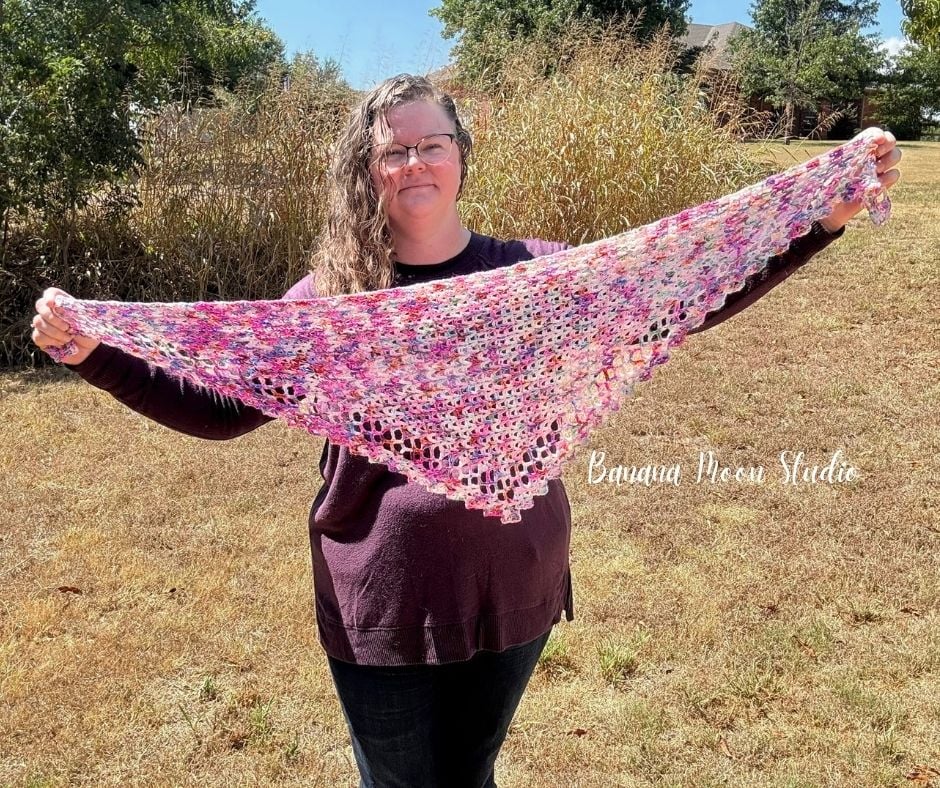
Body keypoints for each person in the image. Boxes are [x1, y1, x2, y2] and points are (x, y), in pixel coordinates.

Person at [31, 74, 901, 787]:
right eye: (393, 149)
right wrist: (94, 354)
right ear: (367, 169)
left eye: (432, 143)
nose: (414, 161)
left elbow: (687, 292)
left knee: (470, 773)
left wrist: (818, 219)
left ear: (461, 155)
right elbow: (220, 412)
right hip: (384, 595)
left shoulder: (533, 277)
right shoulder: (335, 304)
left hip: (513, 584)